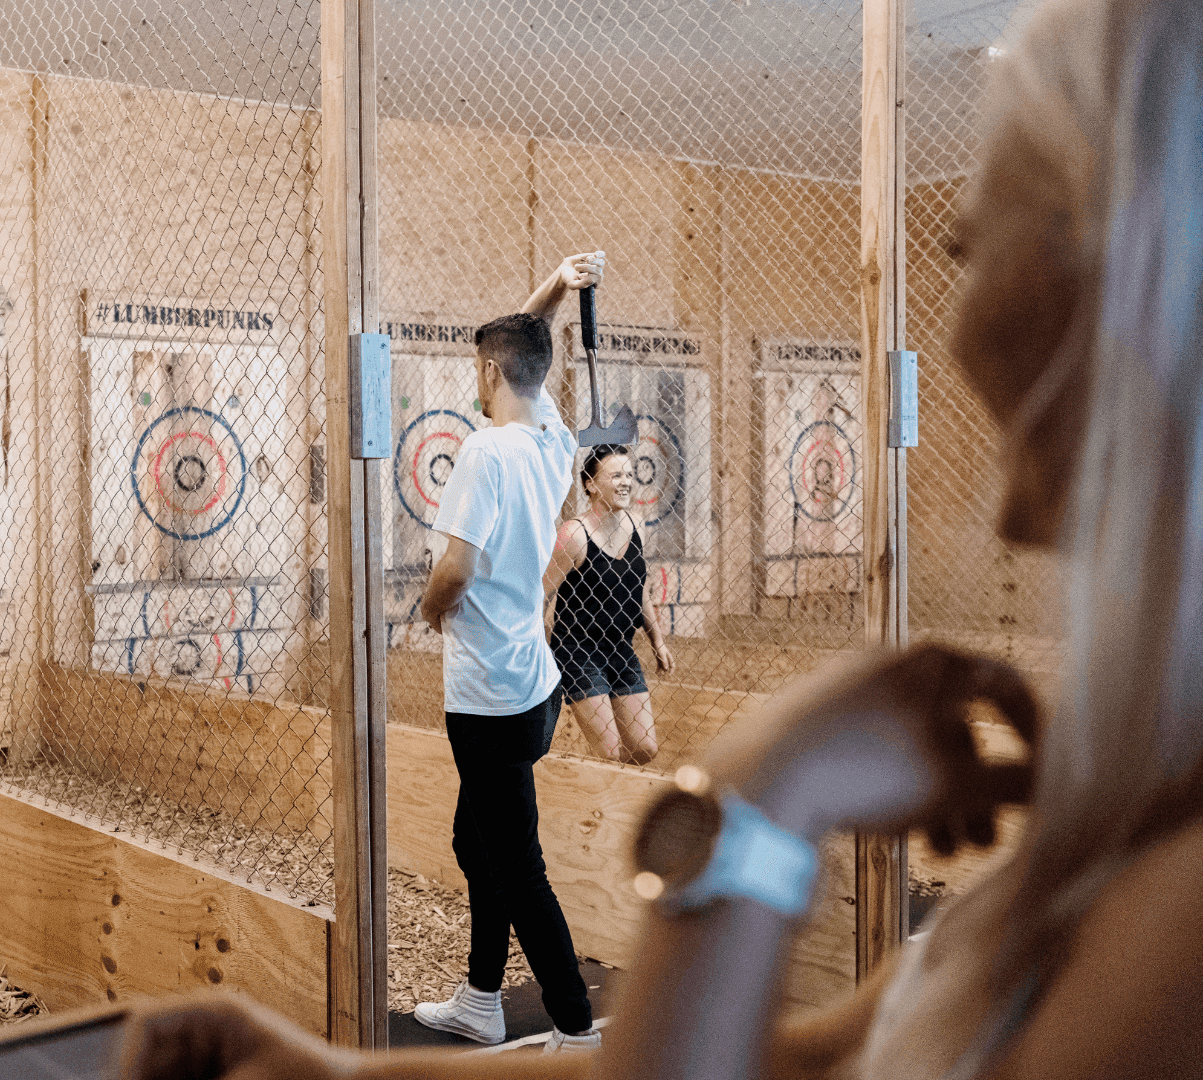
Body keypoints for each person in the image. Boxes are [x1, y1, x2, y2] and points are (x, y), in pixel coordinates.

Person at [115, 1, 1203, 1077]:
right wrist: (344, 1075)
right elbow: (803, 1056)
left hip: (504, 681)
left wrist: (756, 801)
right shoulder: (1115, 843)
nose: (954, 243)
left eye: (1011, 210)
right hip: (542, 671)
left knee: (506, 845)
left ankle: (537, 999)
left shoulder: (1175, 924)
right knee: (496, 842)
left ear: (1146, 265)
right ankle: (499, 999)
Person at [409, 250, 606, 1053]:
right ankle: (481, 998)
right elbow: (531, 342)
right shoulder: (549, 436)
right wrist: (558, 287)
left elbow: (454, 568)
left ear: (490, 371)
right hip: (534, 688)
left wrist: (428, 612)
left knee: (516, 865)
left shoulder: (486, 451)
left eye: (478, 367)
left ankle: (575, 1027)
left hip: (487, 695)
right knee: (474, 839)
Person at [547, 443, 675, 764]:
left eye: (630, 474)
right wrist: (539, 654)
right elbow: (542, 595)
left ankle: (613, 797)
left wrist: (657, 639)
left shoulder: (636, 526)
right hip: (578, 651)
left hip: (620, 648)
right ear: (590, 484)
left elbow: (638, 588)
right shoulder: (573, 535)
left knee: (644, 749)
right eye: (616, 474)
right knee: (610, 752)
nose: (626, 481)